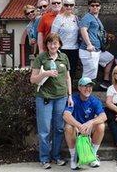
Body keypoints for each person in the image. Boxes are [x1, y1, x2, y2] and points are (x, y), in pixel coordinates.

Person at [30, 33, 72, 169]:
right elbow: (33, 79)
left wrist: (70, 95)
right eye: (50, 43)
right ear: (46, 44)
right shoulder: (41, 57)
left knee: (59, 128)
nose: (52, 46)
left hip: (61, 97)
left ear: (59, 44)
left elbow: (68, 78)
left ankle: (56, 156)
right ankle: (44, 158)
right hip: (45, 97)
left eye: (55, 43)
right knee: (45, 130)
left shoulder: (64, 57)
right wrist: (44, 74)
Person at [63, 77, 107, 170]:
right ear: (79, 88)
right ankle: (74, 158)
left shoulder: (94, 100)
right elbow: (66, 115)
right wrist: (79, 126)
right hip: (76, 128)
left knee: (101, 125)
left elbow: (104, 116)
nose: (88, 89)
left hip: (89, 129)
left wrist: (91, 122)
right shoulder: (73, 99)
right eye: (85, 86)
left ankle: (92, 155)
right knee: (68, 127)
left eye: (90, 86)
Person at [78, 0, 114, 81]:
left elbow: (97, 32)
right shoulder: (87, 17)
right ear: (89, 7)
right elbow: (83, 30)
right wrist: (89, 44)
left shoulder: (96, 18)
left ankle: (105, 80)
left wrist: (107, 36)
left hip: (97, 50)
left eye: (97, 5)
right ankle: (83, 93)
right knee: (88, 76)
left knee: (110, 58)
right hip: (89, 51)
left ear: (100, 7)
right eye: (92, 5)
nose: (95, 7)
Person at [51, 0, 81, 81]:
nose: (69, 7)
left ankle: (69, 93)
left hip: (74, 49)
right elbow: (53, 35)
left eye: (71, 5)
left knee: (72, 73)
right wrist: (55, 50)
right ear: (63, 5)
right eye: (66, 5)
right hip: (62, 50)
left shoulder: (76, 18)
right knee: (61, 73)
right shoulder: (59, 18)